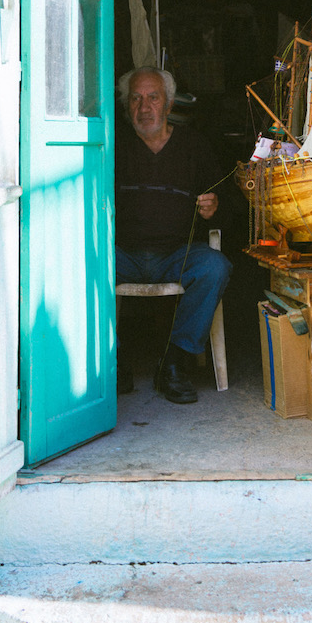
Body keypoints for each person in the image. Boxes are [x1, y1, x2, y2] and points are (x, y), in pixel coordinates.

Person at [115, 66, 232, 403]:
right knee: (82, 263)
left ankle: (174, 363)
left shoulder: (193, 146)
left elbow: (226, 203)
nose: (144, 107)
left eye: (153, 98)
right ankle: (112, 360)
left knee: (215, 267)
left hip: (176, 255)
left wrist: (215, 207)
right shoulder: (114, 145)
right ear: (127, 107)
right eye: (135, 99)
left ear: (167, 105)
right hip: (123, 254)